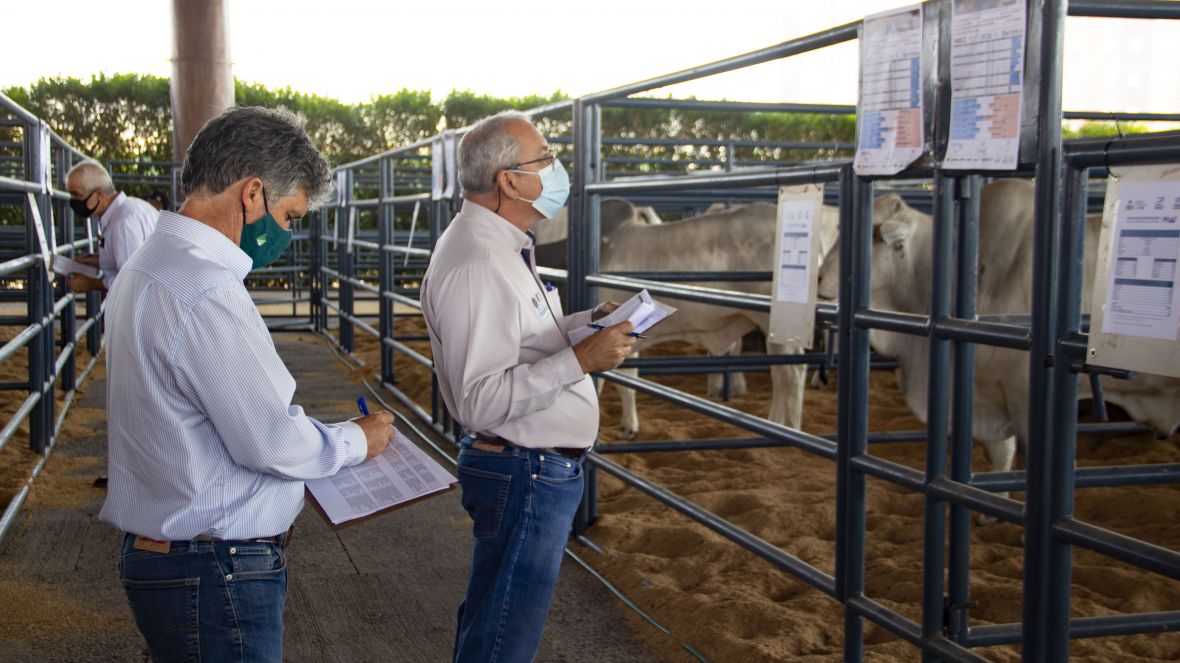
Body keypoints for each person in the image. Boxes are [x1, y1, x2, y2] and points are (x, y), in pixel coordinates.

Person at [98, 106, 396, 663]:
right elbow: (269, 441)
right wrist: (358, 439)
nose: (287, 233)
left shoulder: (147, 264)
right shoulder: (204, 287)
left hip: (177, 557)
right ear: (253, 193)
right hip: (215, 568)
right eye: (289, 215)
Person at [421, 111, 635, 662]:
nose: (556, 168)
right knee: (503, 642)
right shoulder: (478, 262)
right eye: (545, 158)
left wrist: (586, 325)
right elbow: (479, 399)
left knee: (494, 625)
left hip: (529, 468)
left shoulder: (499, 245)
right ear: (509, 182)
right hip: (525, 470)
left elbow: (524, 337)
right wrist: (581, 361)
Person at [63, 160, 157, 293]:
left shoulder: (122, 224)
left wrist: (91, 283)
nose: (73, 201)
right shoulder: (133, 207)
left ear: (99, 194)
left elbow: (131, 283)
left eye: (77, 195)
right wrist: (95, 260)